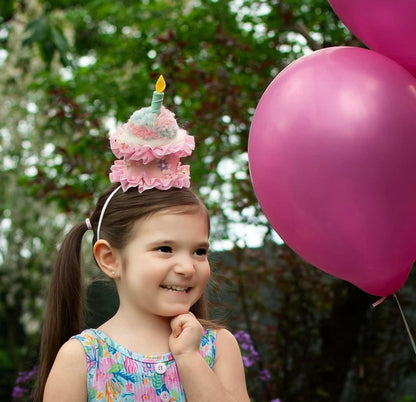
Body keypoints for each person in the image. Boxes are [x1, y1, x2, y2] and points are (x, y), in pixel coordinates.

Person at [34, 76, 250, 402]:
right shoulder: (83, 359)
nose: (187, 266)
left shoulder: (217, 347)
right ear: (110, 259)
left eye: (199, 251)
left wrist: (189, 359)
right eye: (165, 248)